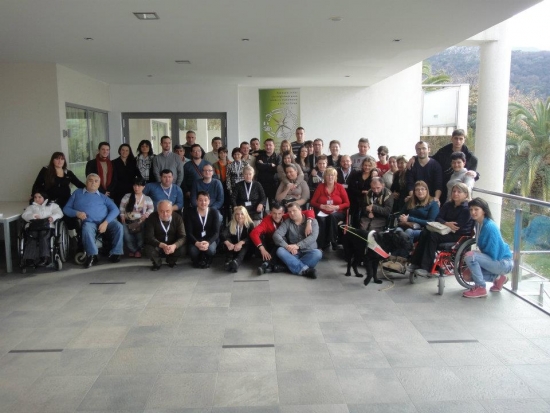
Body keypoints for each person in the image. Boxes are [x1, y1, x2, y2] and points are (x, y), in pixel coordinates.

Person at [409, 182, 474, 275]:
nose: (455, 193)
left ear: (466, 194)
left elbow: (456, 226)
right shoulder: (448, 205)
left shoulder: (467, 209)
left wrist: (444, 223)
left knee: (433, 236)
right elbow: (438, 218)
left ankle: (426, 267)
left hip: (458, 235)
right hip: (444, 230)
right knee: (425, 232)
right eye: (454, 191)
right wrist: (446, 223)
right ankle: (415, 263)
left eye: (459, 192)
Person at [63, 173, 124, 268]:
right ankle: (92, 255)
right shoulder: (77, 193)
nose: (93, 183)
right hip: (89, 223)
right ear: (86, 182)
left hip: (104, 222)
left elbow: (115, 209)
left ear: (99, 184)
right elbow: (66, 209)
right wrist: (77, 213)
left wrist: (106, 222)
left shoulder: (103, 197)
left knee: (119, 226)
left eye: (96, 181)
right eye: (90, 180)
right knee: (87, 228)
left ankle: (116, 253)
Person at [462, 197, 513, 298]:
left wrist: (478, 255)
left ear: (484, 211)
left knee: (470, 256)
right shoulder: (478, 223)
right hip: (496, 261)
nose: (473, 212)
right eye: (471, 209)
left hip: (503, 262)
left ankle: (481, 288)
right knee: (466, 275)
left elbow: (494, 254)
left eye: (476, 209)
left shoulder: (489, 227)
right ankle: (498, 278)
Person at [251, 203, 315, 275]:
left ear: (283, 213)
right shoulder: (266, 220)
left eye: (279, 213)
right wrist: (262, 249)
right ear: (270, 212)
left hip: (286, 243)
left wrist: (309, 223)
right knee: (278, 247)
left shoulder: (288, 216)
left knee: (316, 253)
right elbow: (254, 233)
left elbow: (310, 212)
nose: (277, 216)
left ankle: (269, 265)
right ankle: (268, 264)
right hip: (272, 243)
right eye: (274, 213)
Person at [273, 202, 321, 278]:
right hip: (294, 253)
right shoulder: (287, 222)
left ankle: (287, 268)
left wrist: (298, 245)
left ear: (300, 210)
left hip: (309, 251)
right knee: (280, 250)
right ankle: (305, 270)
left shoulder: (313, 221)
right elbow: (276, 235)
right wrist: (287, 246)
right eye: (289, 212)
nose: (292, 213)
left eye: (294, 210)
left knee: (318, 253)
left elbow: (313, 237)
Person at [432, 129, 478, 202]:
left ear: (464, 140)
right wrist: (415, 158)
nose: (458, 141)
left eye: (460, 139)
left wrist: (475, 174)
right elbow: (431, 160)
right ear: (452, 138)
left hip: (460, 197)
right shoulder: (443, 152)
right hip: (443, 189)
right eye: (456, 138)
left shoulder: (471, 158)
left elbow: (471, 176)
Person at [310, 167, 350, 250]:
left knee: (332, 217)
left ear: (335, 177)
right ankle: (322, 243)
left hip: (337, 212)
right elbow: (312, 202)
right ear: (325, 177)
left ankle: (332, 240)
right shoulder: (320, 187)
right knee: (321, 220)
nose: (330, 177)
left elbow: (347, 203)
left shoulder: (340, 187)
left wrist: (336, 207)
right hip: (323, 212)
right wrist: (322, 206)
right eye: (328, 175)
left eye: (332, 175)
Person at [21, 192, 63, 266]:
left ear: (44, 197)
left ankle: (44, 257)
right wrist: (33, 216)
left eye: (39, 197)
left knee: (43, 235)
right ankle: (29, 258)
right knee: (32, 236)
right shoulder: (31, 207)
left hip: (47, 226)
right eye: (35, 197)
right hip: (34, 226)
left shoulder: (52, 205)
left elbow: (59, 213)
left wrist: (52, 217)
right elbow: (24, 215)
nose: (37, 199)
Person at [144, 200, 186, 270]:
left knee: (183, 249)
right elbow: (149, 237)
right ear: (157, 211)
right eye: (162, 211)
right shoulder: (152, 217)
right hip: (157, 244)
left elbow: (183, 237)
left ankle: (171, 261)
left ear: (171, 210)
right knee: (148, 249)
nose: (165, 214)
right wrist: (161, 245)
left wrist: (174, 246)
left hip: (172, 245)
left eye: (167, 211)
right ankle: (157, 263)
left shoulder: (177, 218)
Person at [119, 178, 154, 258]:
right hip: (127, 220)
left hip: (140, 221)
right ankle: (133, 250)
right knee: (127, 237)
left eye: (139, 185)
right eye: (135, 185)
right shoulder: (127, 196)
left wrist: (146, 215)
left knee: (140, 237)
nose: (136, 187)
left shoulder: (147, 198)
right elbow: (122, 206)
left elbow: (151, 208)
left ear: (143, 187)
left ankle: (138, 250)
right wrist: (122, 215)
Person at [185, 191, 221, 268]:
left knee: (210, 250)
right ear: (196, 201)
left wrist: (208, 242)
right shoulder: (190, 213)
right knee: (193, 251)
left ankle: (207, 258)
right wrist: (196, 243)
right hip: (196, 239)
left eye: (205, 200)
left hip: (209, 239)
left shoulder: (214, 212)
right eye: (200, 200)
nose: (203, 202)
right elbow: (189, 232)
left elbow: (216, 232)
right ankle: (198, 258)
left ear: (209, 201)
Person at [221, 206, 255, 273]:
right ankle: (229, 260)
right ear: (234, 215)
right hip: (234, 249)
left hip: (245, 252)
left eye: (242, 214)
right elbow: (222, 235)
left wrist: (241, 242)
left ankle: (236, 262)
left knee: (246, 244)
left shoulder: (250, 225)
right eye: (237, 214)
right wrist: (228, 243)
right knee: (227, 239)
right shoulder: (231, 224)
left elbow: (251, 238)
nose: (239, 216)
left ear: (245, 215)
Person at [112, 143, 140, 208]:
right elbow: (113, 177)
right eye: (123, 150)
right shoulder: (114, 162)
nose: (125, 152)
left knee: (130, 207)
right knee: (120, 207)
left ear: (129, 152)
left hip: (131, 188)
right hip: (119, 189)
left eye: (127, 150)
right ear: (120, 151)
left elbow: (138, 174)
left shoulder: (133, 162)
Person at [255, 138, 280, 206]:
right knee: (261, 206)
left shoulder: (278, 157)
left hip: (274, 185)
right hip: (262, 185)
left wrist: (264, 165)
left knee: (274, 207)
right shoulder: (260, 156)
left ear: (274, 146)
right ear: (264, 146)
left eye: (270, 145)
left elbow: (277, 169)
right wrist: (270, 165)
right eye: (266, 145)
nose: (268, 147)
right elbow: (259, 167)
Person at [213, 147, 231, 222]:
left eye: (224, 152)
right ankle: (222, 223)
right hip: (219, 185)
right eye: (221, 153)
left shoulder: (231, 163)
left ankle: (229, 223)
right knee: (221, 205)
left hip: (229, 186)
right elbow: (214, 176)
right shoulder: (215, 164)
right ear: (218, 154)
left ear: (226, 154)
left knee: (229, 205)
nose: (223, 154)